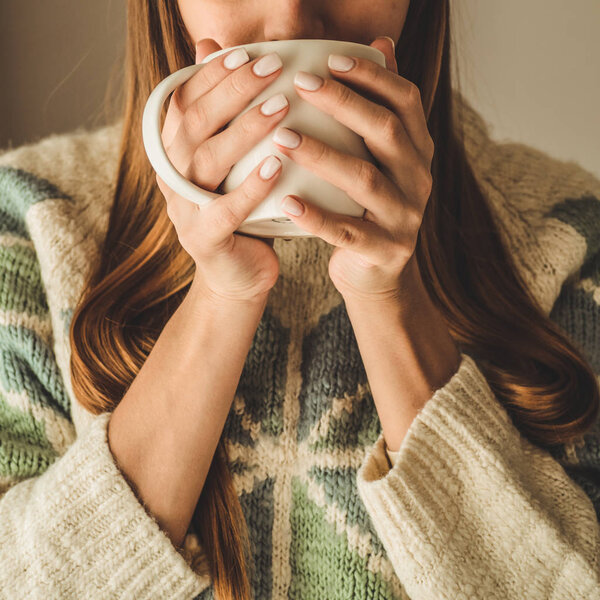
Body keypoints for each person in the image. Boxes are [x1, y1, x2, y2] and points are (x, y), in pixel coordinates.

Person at [0, 0, 599, 598]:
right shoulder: (28, 222)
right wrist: (220, 297)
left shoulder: (572, 238)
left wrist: (388, 293)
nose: (292, 23)